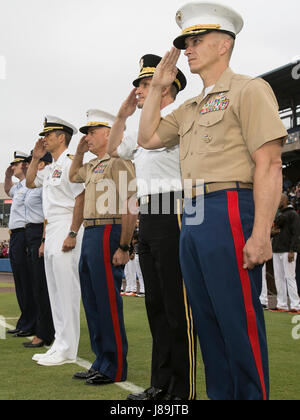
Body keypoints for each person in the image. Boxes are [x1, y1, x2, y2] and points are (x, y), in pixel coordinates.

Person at [137, 2, 288, 400]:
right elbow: (147, 137)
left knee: (237, 319)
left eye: (197, 40)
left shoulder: (249, 89)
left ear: (224, 44)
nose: (188, 48)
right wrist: (156, 88)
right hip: (191, 213)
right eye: (187, 41)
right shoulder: (189, 107)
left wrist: (260, 234)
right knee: (207, 321)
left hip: (230, 208)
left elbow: (270, 163)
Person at [107, 55, 196, 401]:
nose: (138, 90)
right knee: (156, 306)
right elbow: (114, 148)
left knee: (177, 307)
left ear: (166, 85)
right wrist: (122, 115)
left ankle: (182, 392)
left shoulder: (179, 116)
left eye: (145, 84)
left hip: (174, 209)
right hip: (149, 213)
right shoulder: (147, 126)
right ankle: (161, 385)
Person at [69, 109, 137, 385]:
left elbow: (130, 202)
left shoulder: (118, 161)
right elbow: (72, 175)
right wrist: (79, 150)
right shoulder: (92, 165)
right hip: (91, 231)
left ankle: (115, 366)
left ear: (108, 134)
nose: (86, 137)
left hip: (110, 229)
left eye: (91, 132)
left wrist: (125, 244)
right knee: (93, 299)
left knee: (107, 301)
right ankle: (101, 360)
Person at [26, 116, 85, 366]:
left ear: (62, 137)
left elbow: (80, 198)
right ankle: (59, 343)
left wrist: (72, 232)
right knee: (55, 291)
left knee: (67, 290)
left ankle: (68, 349)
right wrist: (36, 158)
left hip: (66, 226)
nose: (45, 138)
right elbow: (29, 182)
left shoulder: (72, 163)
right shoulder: (49, 167)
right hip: (51, 229)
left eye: (49, 134)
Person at [23, 150, 55, 348]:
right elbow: (29, 180)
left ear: (43, 164)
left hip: (43, 233)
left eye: (34, 162)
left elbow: (47, 213)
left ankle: (44, 333)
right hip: (35, 234)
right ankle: (42, 329)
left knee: (43, 287)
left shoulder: (51, 175)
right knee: (37, 285)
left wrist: (43, 239)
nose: (29, 166)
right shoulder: (43, 177)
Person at [4, 152, 36, 337]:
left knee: (27, 280)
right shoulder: (19, 187)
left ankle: (30, 322)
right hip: (16, 235)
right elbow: (8, 190)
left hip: (25, 233)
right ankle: (25, 320)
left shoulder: (30, 184)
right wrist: (7, 176)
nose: (13, 167)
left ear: (25, 165)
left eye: (16, 164)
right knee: (20, 282)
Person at [271, 194, 300, 313]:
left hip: (288, 250)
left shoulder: (293, 214)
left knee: (290, 277)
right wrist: (273, 231)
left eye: (280, 199)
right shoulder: (279, 214)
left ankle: (296, 305)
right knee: (278, 278)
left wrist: (292, 250)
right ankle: (281, 304)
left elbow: (296, 233)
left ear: (285, 200)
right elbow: (273, 231)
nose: (277, 202)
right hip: (277, 249)